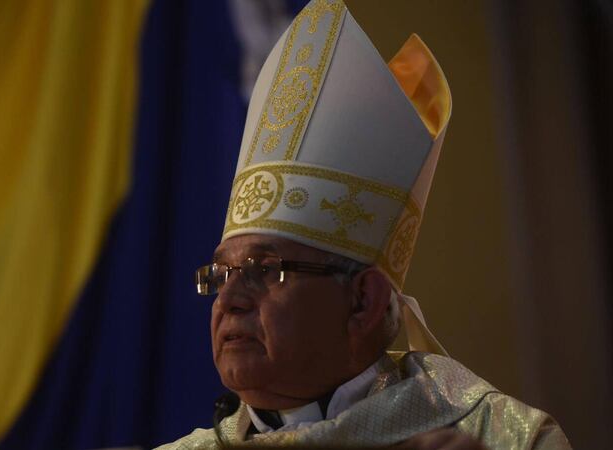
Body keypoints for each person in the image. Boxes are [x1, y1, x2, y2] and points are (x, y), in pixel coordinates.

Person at [157, 0, 571, 448]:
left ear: (363, 301)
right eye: (221, 275)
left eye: (264, 269)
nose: (229, 301)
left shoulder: (503, 438)